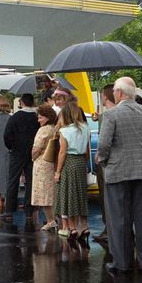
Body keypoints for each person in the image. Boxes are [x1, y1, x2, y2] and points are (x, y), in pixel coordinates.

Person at [97, 77, 142, 274]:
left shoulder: (111, 115)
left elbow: (103, 145)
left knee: (119, 219)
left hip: (118, 172)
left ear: (118, 93)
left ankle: (122, 263)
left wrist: (105, 163)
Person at [53, 102, 90, 239]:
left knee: (70, 195)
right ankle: (85, 226)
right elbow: (86, 151)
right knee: (81, 195)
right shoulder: (85, 128)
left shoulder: (64, 131)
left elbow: (62, 153)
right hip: (81, 162)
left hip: (69, 162)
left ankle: (73, 227)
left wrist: (57, 172)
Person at [3, 93, 40, 219]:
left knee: (13, 181)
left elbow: (7, 135)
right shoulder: (37, 117)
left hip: (17, 152)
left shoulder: (15, 117)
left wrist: (12, 147)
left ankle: (9, 211)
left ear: (22, 102)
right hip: (33, 153)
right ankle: (29, 209)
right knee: (30, 181)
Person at [92, 84, 116, 242]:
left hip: (107, 163)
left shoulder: (107, 116)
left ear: (105, 96)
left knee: (106, 197)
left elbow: (104, 142)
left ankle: (109, 229)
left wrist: (100, 155)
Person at [31, 105, 58, 231]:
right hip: (52, 162)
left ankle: (50, 220)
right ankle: (55, 218)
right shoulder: (54, 128)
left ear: (47, 117)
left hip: (42, 163)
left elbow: (36, 148)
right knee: (52, 192)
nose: (38, 120)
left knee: (44, 194)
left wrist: (33, 157)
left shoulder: (43, 130)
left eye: (40, 117)